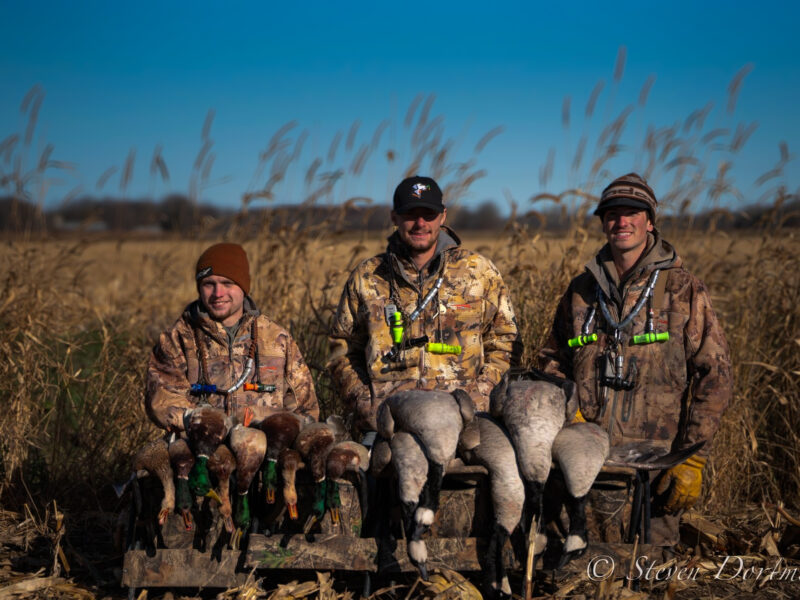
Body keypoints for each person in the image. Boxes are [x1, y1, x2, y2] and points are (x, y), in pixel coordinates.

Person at [538, 173, 732, 545]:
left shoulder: (682, 289)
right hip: (585, 464)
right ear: (603, 222)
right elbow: (551, 362)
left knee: (646, 577)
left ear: (650, 221)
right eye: (612, 214)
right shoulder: (581, 291)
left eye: (632, 212)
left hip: (654, 472)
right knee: (576, 572)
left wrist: (692, 458)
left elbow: (716, 377)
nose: (621, 221)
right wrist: (570, 415)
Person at [328, 175, 520, 439]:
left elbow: (505, 342)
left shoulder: (479, 272)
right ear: (394, 217)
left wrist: (478, 399)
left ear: (442, 216)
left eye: (428, 214)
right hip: (388, 429)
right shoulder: (367, 277)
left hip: (465, 428)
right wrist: (367, 404)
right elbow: (342, 350)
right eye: (411, 214)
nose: (420, 223)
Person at [146, 242, 319, 430]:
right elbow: (163, 401)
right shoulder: (178, 339)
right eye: (209, 284)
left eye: (227, 283)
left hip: (266, 450)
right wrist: (203, 423)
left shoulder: (277, 339)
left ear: (243, 287)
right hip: (201, 447)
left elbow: (305, 409)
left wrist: (278, 431)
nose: (218, 293)